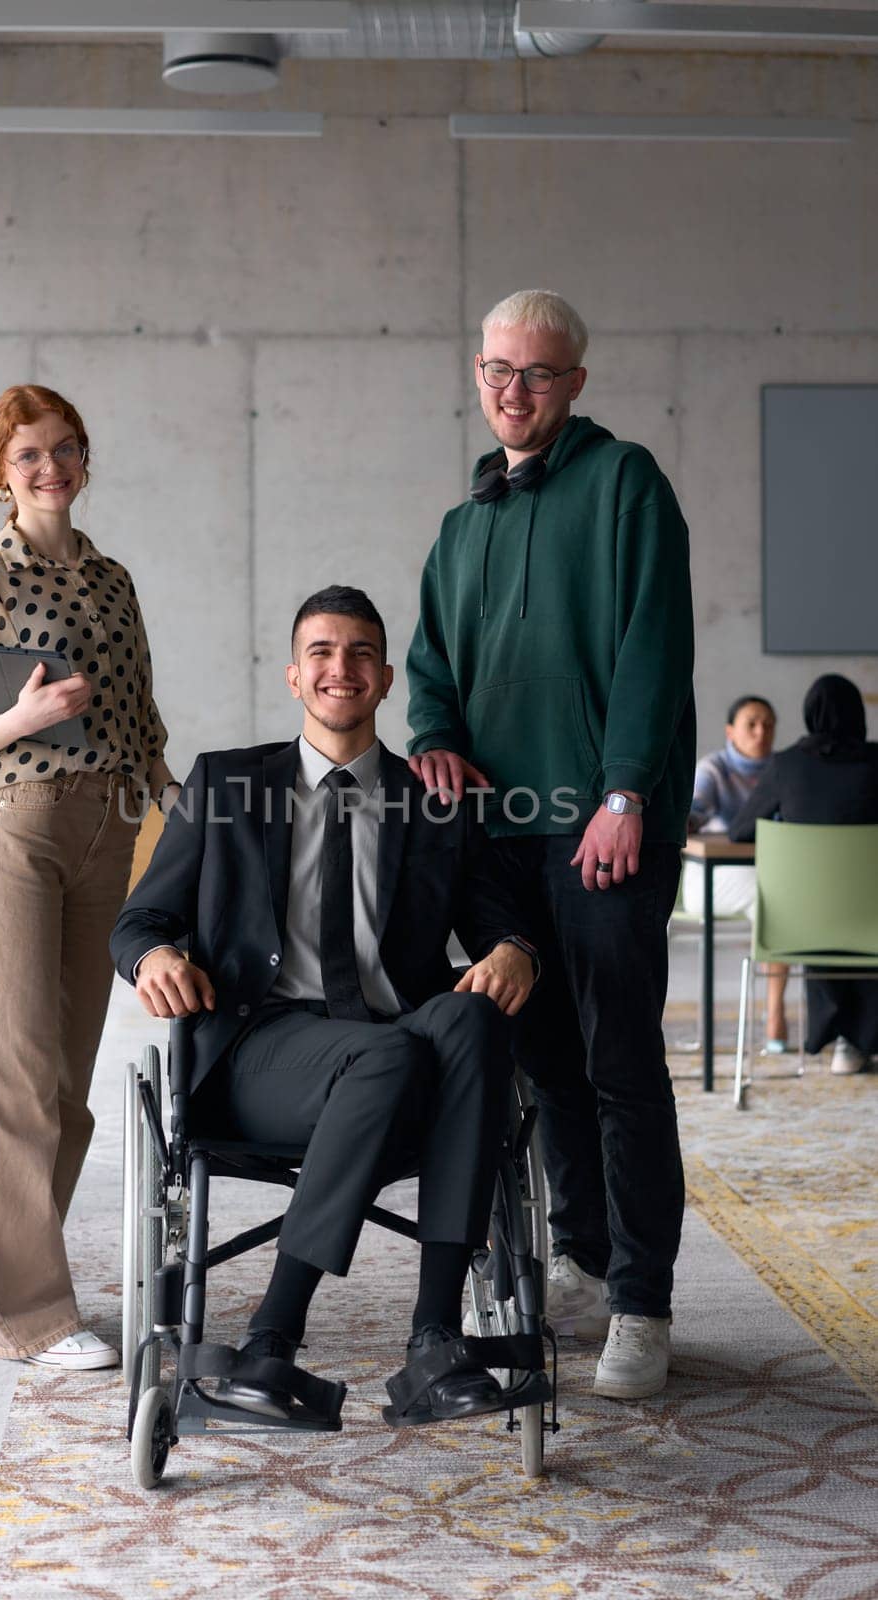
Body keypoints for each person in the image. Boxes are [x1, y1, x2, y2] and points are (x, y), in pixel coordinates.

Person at [110, 585, 539, 1422]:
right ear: (293, 678)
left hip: (398, 1042)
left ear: (384, 682)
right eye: (322, 653)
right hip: (261, 1052)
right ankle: (273, 1337)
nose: (340, 668)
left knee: (468, 1018)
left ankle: (433, 1341)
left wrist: (514, 952)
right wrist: (154, 954)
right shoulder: (226, 783)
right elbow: (141, 919)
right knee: (392, 1052)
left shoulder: (434, 801)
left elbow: (502, 924)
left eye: (360, 655)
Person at [406, 289, 695, 1401]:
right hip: (500, 842)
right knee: (542, 1063)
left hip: (599, 830)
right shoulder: (461, 523)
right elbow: (430, 662)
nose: (509, 392)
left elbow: (651, 648)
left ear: (573, 382)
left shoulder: (624, 484)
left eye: (532, 374)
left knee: (618, 1059)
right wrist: (431, 738)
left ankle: (643, 1300)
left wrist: (625, 792)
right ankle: (579, 1254)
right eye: (493, 371)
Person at [0, 384, 177, 1369]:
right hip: (17, 829)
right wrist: (24, 719)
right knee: (16, 1078)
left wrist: (182, 800)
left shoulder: (112, 580)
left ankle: (13, 1282)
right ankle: (25, 1314)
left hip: (107, 827)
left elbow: (143, 716)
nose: (50, 466)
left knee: (67, 1084)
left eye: (65, 447)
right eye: (28, 454)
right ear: (1, 473)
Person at [730, 673, 878, 1075]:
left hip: (801, 924)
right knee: (859, 911)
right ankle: (858, 1039)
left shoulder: (787, 764)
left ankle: (841, 1038)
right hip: (873, 916)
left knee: (824, 912)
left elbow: (741, 831)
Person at [684, 694, 789, 1051]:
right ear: (731, 731)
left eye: (769, 725)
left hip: (763, 878)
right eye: (752, 724)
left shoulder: (784, 769)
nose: (762, 732)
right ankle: (775, 1014)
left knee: (777, 897)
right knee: (780, 898)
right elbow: (696, 809)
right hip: (713, 878)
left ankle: (774, 1010)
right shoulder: (713, 769)